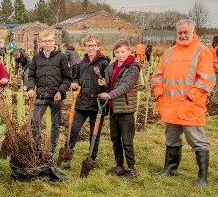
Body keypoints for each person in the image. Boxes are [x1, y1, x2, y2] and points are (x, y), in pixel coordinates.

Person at [151, 19, 215, 187]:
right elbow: (157, 75)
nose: (183, 35)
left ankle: (203, 178)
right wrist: (159, 95)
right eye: (180, 32)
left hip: (190, 106)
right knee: (171, 139)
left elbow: (206, 80)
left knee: (197, 141)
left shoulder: (203, 51)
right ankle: (170, 169)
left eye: (186, 32)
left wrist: (190, 98)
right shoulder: (170, 51)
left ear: (193, 32)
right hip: (169, 105)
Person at [98, 39, 140, 179]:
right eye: (117, 52)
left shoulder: (133, 68)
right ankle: (119, 165)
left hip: (126, 108)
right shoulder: (111, 67)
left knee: (127, 140)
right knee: (115, 138)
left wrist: (109, 95)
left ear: (129, 52)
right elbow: (110, 86)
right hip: (113, 108)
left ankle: (132, 168)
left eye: (123, 52)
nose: (120, 54)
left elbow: (126, 86)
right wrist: (103, 85)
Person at [66, 35, 110, 169]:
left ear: (98, 47)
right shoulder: (82, 63)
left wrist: (103, 84)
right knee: (73, 129)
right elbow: (77, 77)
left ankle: (92, 158)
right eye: (88, 45)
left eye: (93, 45)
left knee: (94, 133)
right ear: (84, 47)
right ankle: (66, 156)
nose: (90, 48)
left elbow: (108, 84)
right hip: (82, 102)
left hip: (97, 103)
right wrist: (74, 83)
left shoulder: (104, 63)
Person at [27, 30, 72, 154]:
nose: (48, 44)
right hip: (41, 95)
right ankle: (37, 148)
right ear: (41, 42)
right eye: (45, 41)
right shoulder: (36, 57)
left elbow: (67, 78)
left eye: (50, 41)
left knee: (55, 124)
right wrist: (30, 88)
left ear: (54, 41)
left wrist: (61, 91)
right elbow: (31, 76)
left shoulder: (61, 56)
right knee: (35, 121)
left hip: (56, 96)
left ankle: (51, 150)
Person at [210, 35, 218, 102]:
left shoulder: (212, 49)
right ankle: (214, 99)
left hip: (213, 68)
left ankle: (215, 99)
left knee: (216, 84)